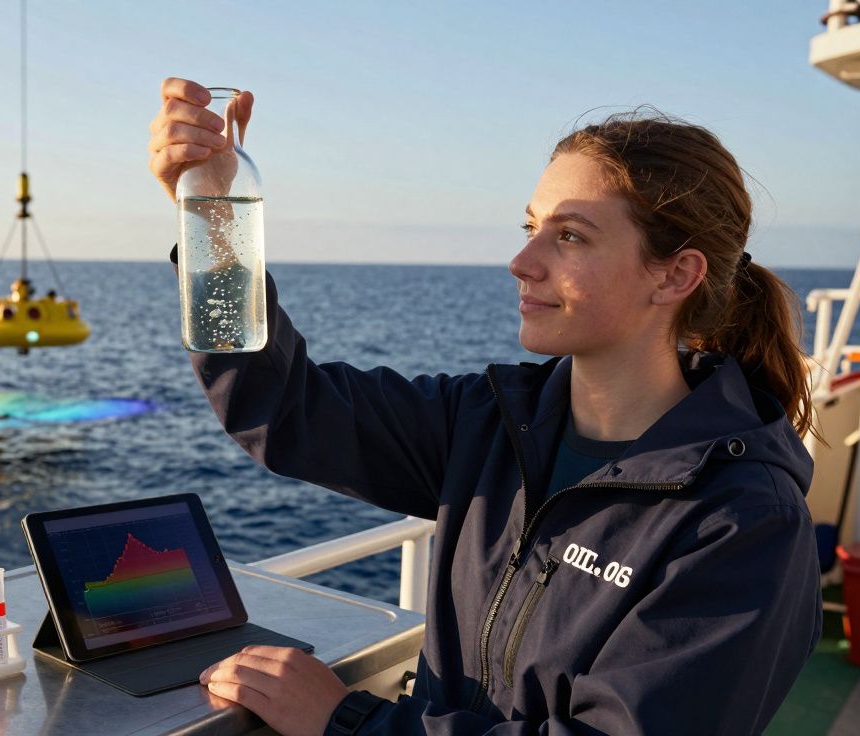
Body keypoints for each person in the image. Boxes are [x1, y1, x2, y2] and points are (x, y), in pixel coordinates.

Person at [148, 78, 822, 736]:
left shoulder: (742, 519)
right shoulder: (493, 423)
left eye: (571, 236)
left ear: (675, 274)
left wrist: (347, 720)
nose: (521, 261)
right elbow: (287, 406)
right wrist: (210, 211)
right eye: (532, 228)